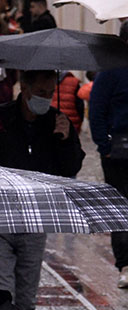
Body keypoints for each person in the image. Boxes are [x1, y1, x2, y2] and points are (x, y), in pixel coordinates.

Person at [0, 69, 85, 310]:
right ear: (25, 87)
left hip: (35, 221)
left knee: (27, 300)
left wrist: (64, 140)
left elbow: (70, 169)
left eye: (51, 93)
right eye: (42, 92)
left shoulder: (56, 121)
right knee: (2, 294)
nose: (47, 98)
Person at [88, 65, 128, 288]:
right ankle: (125, 263)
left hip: (115, 149)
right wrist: (104, 145)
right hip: (118, 152)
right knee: (121, 204)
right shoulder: (111, 72)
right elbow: (97, 108)